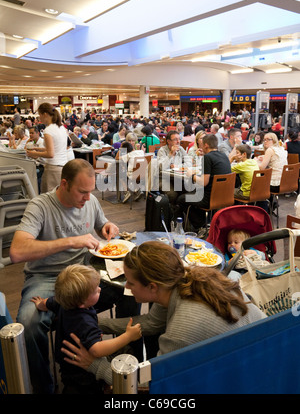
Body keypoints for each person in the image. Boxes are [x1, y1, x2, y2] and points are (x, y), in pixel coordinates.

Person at [61, 241, 266, 386]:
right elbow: (151, 322)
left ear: (152, 287)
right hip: (266, 352)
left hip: (248, 378)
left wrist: (96, 365)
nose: (127, 287)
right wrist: (96, 324)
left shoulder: (180, 331)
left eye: (130, 282)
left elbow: (152, 383)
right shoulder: (184, 280)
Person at [9, 159, 120, 394]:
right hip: (47, 276)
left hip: (85, 271)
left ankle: (119, 369)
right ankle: (44, 387)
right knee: (29, 324)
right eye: (82, 192)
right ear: (64, 184)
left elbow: (101, 226)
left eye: (91, 191)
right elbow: (17, 251)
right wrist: (71, 241)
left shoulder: (90, 200)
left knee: (128, 289)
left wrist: (108, 226)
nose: (88, 198)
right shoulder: (40, 206)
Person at [30, 264, 141, 394]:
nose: (100, 289)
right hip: (83, 372)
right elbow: (96, 350)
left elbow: (47, 303)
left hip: (67, 366)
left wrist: (39, 304)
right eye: (95, 290)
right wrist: (127, 336)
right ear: (82, 303)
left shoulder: (64, 301)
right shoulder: (84, 322)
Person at [175, 134, 231, 231]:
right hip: (224, 197)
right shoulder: (224, 156)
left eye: (201, 145)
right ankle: (205, 224)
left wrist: (191, 175)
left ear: (206, 145)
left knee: (181, 199)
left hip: (209, 199)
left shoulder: (208, 158)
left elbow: (204, 182)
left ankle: (200, 226)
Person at [26, 102, 69, 193]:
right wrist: (38, 149)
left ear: (45, 114)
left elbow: (50, 153)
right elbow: (55, 148)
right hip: (62, 167)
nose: (39, 118)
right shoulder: (61, 128)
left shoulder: (48, 130)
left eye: (40, 115)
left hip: (53, 168)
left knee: (50, 198)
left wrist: (34, 153)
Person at [156, 130, 188, 204]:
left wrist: (178, 166)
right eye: (175, 139)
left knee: (188, 191)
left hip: (177, 178)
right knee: (172, 195)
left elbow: (189, 163)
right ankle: (169, 213)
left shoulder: (181, 149)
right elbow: (162, 167)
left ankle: (180, 211)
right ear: (168, 141)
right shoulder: (162, 150)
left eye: (179, 139)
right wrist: (171, 154)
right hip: (163, 178)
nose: (178, 141)